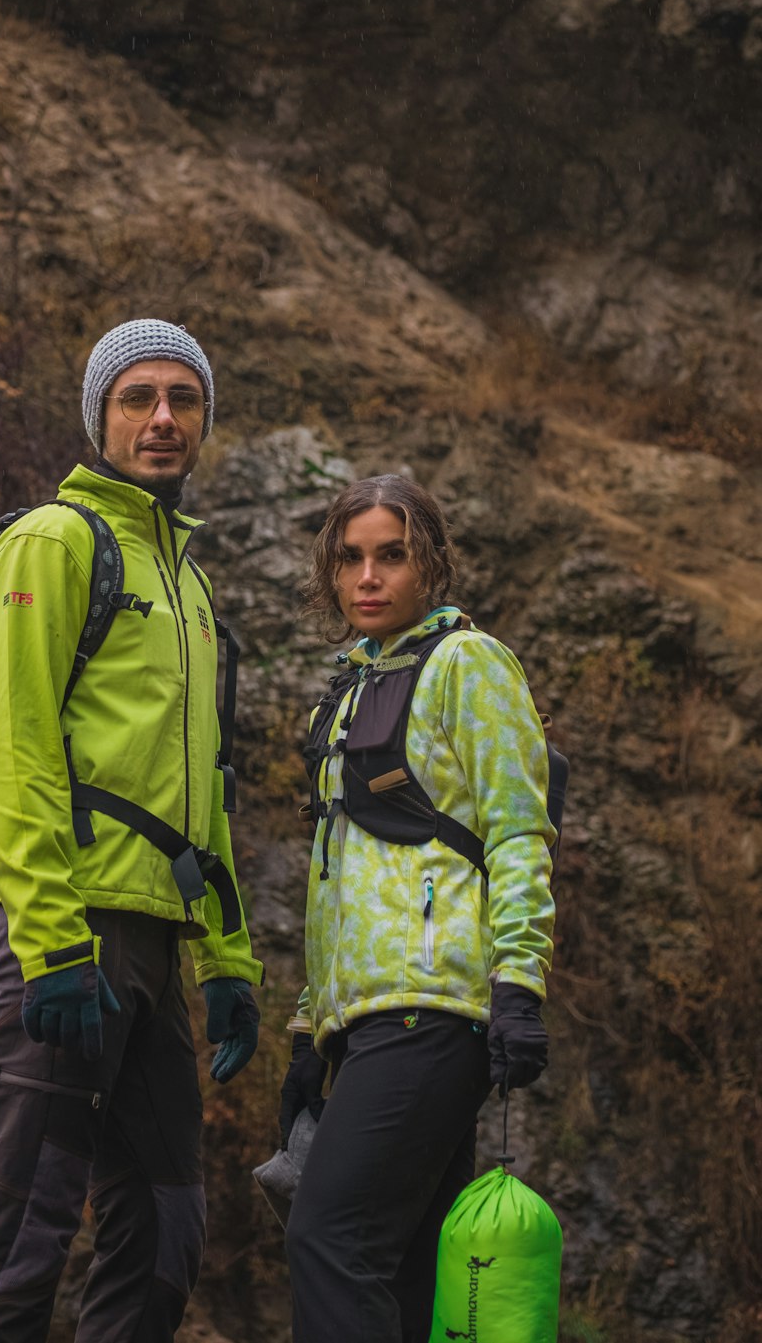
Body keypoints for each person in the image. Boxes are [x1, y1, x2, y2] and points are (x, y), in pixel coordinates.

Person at [0, 319, 265, 1343]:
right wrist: (49, 945)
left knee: (165, 1231)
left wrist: (229, 958)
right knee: (24, 1227)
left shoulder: (194, 588)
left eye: (183, 398)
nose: (163, 418)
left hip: (158, 945)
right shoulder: (52, 540)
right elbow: (17, 752)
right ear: (100, 416)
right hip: (62, 928)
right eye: (138, 397)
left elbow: (203, 795)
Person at [280, 474, 556, 1343]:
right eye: (350, 558)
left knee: (329, 1237)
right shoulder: (348, 688)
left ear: (429, 565)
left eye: (391, 555)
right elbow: (338, 879)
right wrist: (305, 1028)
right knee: (399, 1269)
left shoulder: (468, 664)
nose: (369, 576)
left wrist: (520, 982)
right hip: (364, 1020)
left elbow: (518, 833)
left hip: (433, 1010)